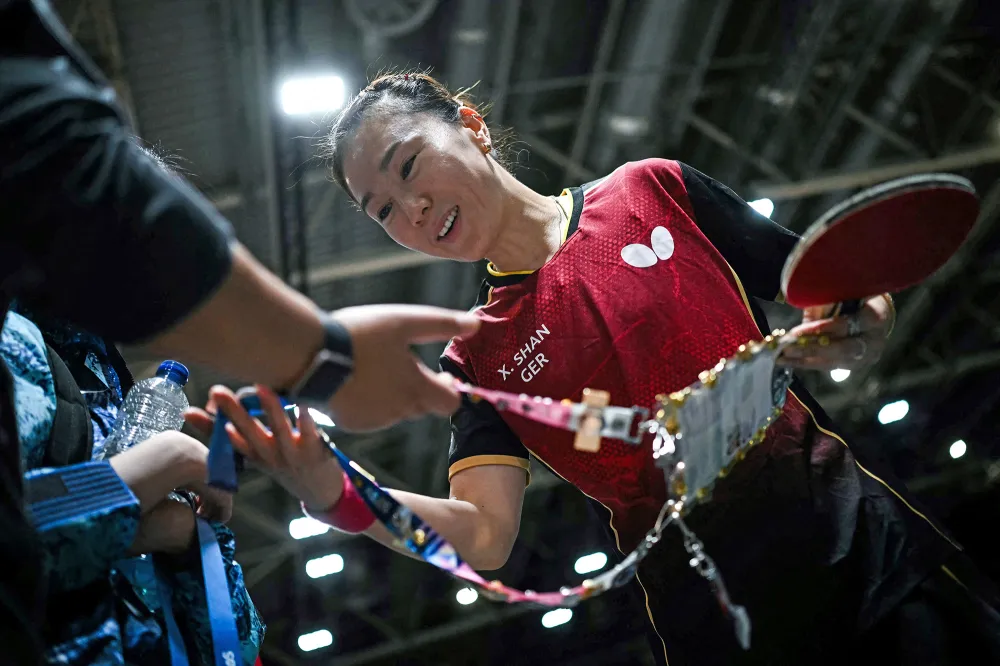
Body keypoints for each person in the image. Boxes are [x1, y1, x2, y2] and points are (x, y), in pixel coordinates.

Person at [203, 71, 1000, 665]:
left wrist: (853, 331)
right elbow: (483, 537)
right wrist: (337, 492)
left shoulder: (653, 191)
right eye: (382, 212)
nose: (409, 212)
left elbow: (838, 297)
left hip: (866, 548)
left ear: (471, 127)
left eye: (409, 167)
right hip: (725, 628)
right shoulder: (474, 355)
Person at [1, 4, 477, 662]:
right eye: (382, 206)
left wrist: (187, 526)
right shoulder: (18, 348)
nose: (413, 212)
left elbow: (482, 540)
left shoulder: (101, 379)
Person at [2, 308, 263, 664]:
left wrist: (184, 535)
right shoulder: (14, 344)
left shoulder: (108, 375)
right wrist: (169, 464)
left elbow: (240, 649)